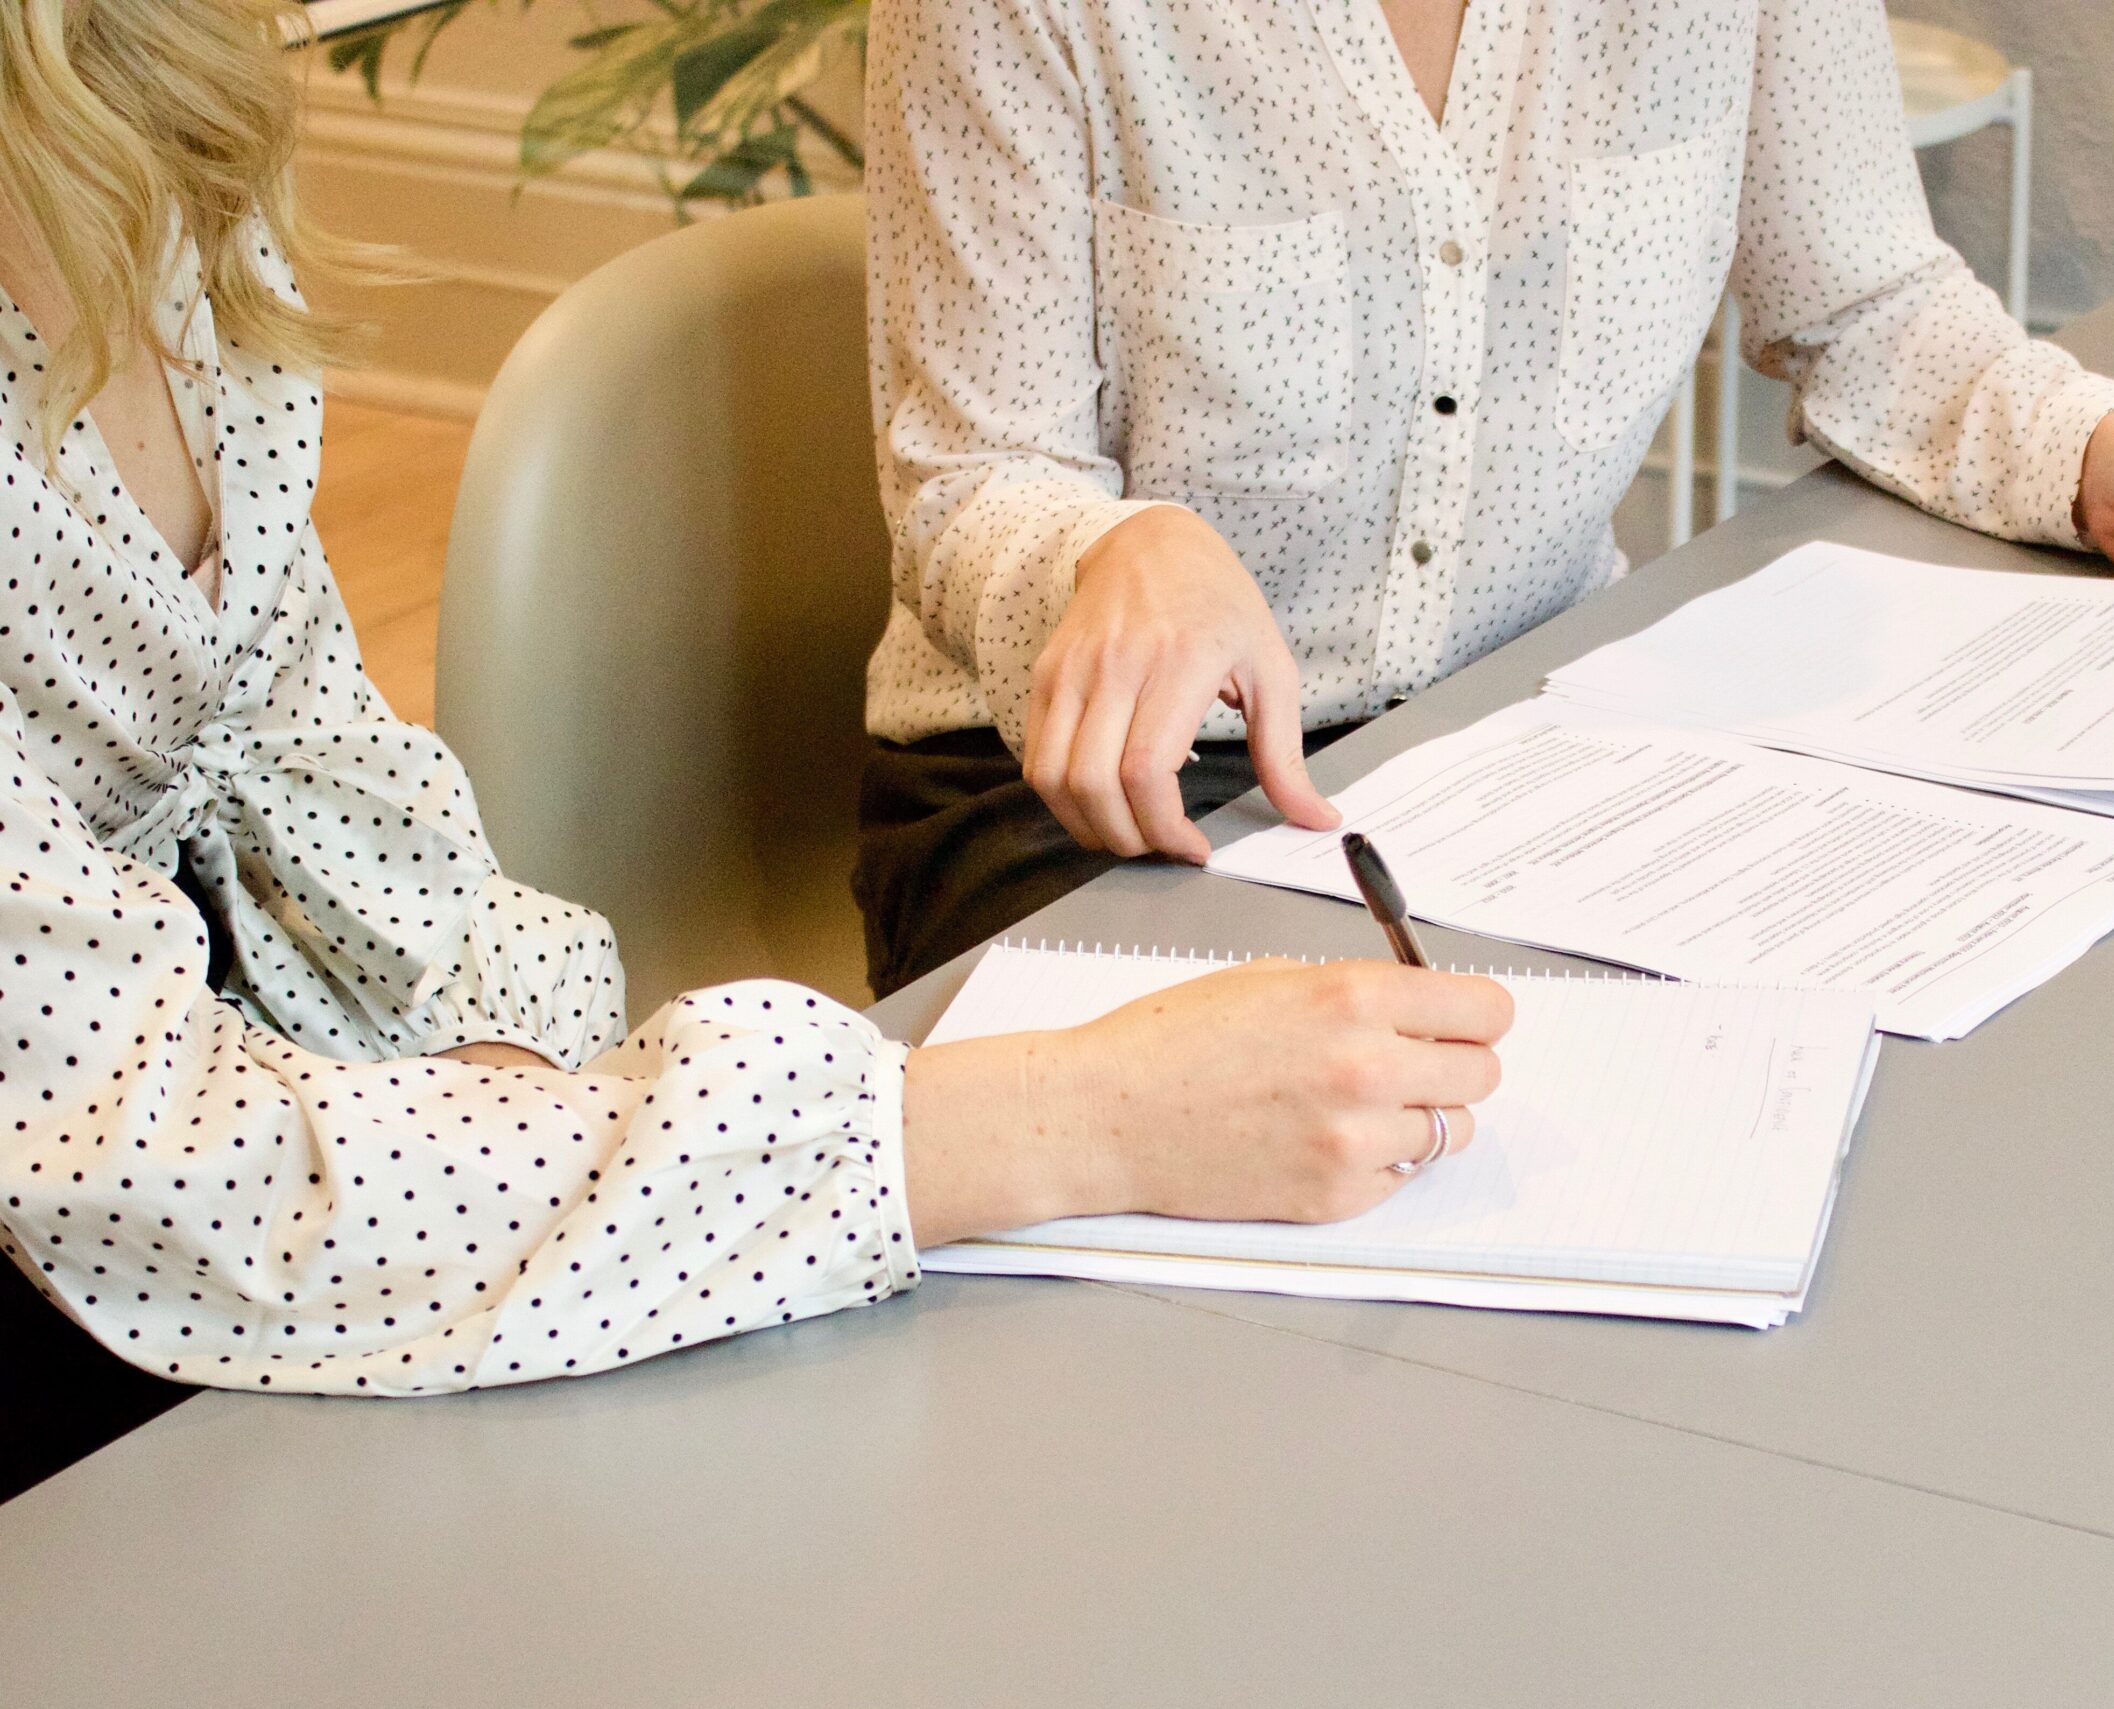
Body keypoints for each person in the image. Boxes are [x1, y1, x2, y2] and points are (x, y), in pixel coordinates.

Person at [0, 0, 1512, 1500]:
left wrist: (523, 1094)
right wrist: (1078, 1117)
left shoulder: (144, 138)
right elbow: (168, 1165)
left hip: (277, 1168)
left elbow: (324, 783)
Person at [855, 0, 2114, 994]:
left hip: (1519, 751)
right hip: (1089, 800)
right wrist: (1112, 552)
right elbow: (970, 474)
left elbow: (1863, 299)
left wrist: (2097, 451)